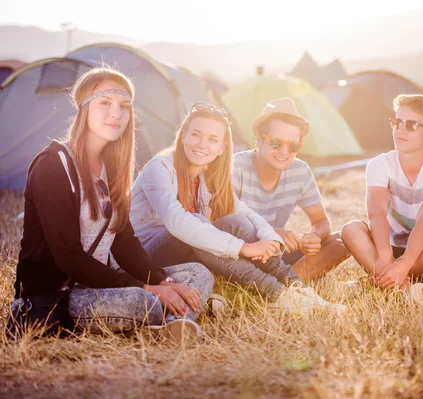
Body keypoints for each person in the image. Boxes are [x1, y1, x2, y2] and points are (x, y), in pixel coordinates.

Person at [10, 68, 213, 340]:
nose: (116, 113)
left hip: (103, 282)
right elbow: (68, 258)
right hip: (62, 295)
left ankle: (173, 327)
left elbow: (123, 241)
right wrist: (147, 289)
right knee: (144, 302)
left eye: (124, 106)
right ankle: (175, 317)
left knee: (196, 273)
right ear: (84, 109)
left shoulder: (111, 167)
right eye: (105, 103)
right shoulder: (53, 165)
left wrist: (161, 281)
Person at [130, 103, 343, 311]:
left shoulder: (207, 176)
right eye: (196, 135)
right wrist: (245, 248)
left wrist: (272, 238)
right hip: (144, 256)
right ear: (183, 135)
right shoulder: (160, 168)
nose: (202, 144)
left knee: (237, 222)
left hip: (184, 256)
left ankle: (296, 287)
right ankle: (277, 294)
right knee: (199, 223)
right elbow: (179, 223)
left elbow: (242, 211)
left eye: (213, 139)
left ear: (222, 148)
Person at [342, 94, 423, 291]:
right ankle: (399, 282)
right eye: (397, 122)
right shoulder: (380, 164)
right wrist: (386, 257)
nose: (400, 129)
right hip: (391, 250)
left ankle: (385, 280)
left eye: (411, 125)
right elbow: (376, 213)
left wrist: (404, 265)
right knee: (351, 230)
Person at [232, 98, 350, 281]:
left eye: (293, 146)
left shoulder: (300, 171)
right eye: (276, 143)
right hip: (241, 253)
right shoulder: (235, 167)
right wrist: (272, 232)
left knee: (341, 242)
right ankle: (290, 282)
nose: (284, 151)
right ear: (260, 140)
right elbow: (222, 223)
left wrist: (314, 236)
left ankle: (287, 283)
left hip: (275, 253)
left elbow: (321, 221)